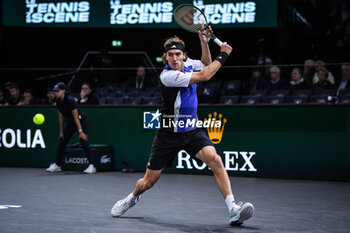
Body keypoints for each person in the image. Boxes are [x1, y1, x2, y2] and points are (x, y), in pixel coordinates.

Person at [111, 32, 254, 226]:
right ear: (165, 58)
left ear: (184, 56)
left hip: (192, 130)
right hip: (168, 134)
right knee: (148, 182)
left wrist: (204, 44)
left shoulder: (189, 63)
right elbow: (206, 74)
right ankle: (132, 198)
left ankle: (233, 210)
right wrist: (224, 55)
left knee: (216, 160)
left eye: (178, 54)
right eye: (171, 55)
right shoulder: (168, 76)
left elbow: (204, 65)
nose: (175, 58)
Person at [46, 82, 97, 174]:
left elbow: (76, 117)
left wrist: (80, 132)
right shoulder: (57, 101)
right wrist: (61, 131)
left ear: (63, 91)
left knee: (83, 140)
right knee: (62, 140)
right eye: (55, 91)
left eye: (58, 91)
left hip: (81, 120)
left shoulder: (70, 100)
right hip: (71, 122)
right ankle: (57, 165)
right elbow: (61, 117)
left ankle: (92, 166)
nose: (56, 93)